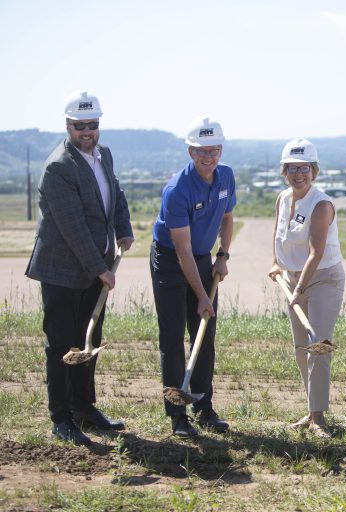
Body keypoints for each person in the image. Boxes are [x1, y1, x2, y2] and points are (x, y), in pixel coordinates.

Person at [26, 90, 134, 446]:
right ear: (68, 126)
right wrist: (100, 269)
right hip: (62, 270)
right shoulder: (59, 166)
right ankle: (62, 417)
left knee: (88, 341)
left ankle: (85, 408)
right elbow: (72, 227)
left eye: (92, 125)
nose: (87, 132)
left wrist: (124, 229)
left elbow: (115, 194)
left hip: (95, 266)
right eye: (80, 126)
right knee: (61, 344)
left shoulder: (104, 156)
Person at [150, 116, 236, 438]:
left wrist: (222, 255)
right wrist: (201, 295)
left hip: (202, 258)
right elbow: (182, 251)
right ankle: (177, 415)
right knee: (173, 338)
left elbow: (228, 218)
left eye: (214, 150)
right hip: (171, 260)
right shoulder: (177, 190)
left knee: (204, 332)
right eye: (201, 151)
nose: (208, 157)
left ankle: (203, 407)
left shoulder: (226, 177)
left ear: (220, 150)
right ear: (190, 152)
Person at [268, 138, 345, 438]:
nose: (298, 174)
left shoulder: (321, 204)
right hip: (293, 280)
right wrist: (276, 263)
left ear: (314, 170)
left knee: (319, 346)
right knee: (302, 351)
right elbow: (277, 235)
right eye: (292, 168)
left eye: (304, 168)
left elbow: (316, 252)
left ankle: (319, 418)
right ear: (283, 171)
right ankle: (311, 410)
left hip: (323, 279)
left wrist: (299, 288)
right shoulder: (282, 198)